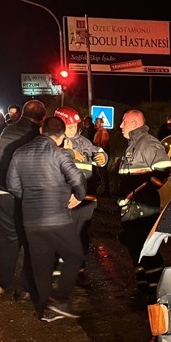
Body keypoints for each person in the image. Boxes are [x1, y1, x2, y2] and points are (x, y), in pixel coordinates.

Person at [7, 114, 89, 321]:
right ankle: (58, 300)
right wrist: (78, 197)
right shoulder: (60, 154)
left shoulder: (19, 152)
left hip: (31, 220)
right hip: (57, 218)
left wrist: (30, 199)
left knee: (41, 265)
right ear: (61, 136)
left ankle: (46, 309)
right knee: (75, 256)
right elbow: (78, 180)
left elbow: (12, 185)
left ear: (41, 130)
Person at [0, 99, 47, 299]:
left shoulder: (7, 129)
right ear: (42, 117)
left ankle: (3, 284)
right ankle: (25, 287)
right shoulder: (36, 134)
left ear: (22, 113)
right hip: (22, 194)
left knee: (8, 238)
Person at [115, 108, 170, 287]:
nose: (120, 126)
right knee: (134, 243)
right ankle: (143, 283)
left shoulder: (148, 143)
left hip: (142, 205)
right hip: (132, 205)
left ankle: (157, 285)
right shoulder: (134, 144)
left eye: (124, 122)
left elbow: (163, 170)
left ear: (134, 123)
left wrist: (138, 192)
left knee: (145, 244)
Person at [56, 106, 108, 262]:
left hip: (84, 198)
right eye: (69, 127)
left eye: (74, 126)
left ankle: (78, 267)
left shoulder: (84, 142)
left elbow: (97, 152)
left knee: (82, 234)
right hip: (62, 199)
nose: (73, 130)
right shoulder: (52, 142)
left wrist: (102, 158)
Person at [91, 115, 111, 196]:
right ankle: (102, 191)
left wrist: (99, 155)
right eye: (95, 122)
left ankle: (104, 191)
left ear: (102, 124)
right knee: (100, 174)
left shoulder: (103, 132)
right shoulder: (98, 132)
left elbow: (102, 145)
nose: (95, 124)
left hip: (100, 157)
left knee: (101, 174)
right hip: (98, 156)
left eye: (97, 122)